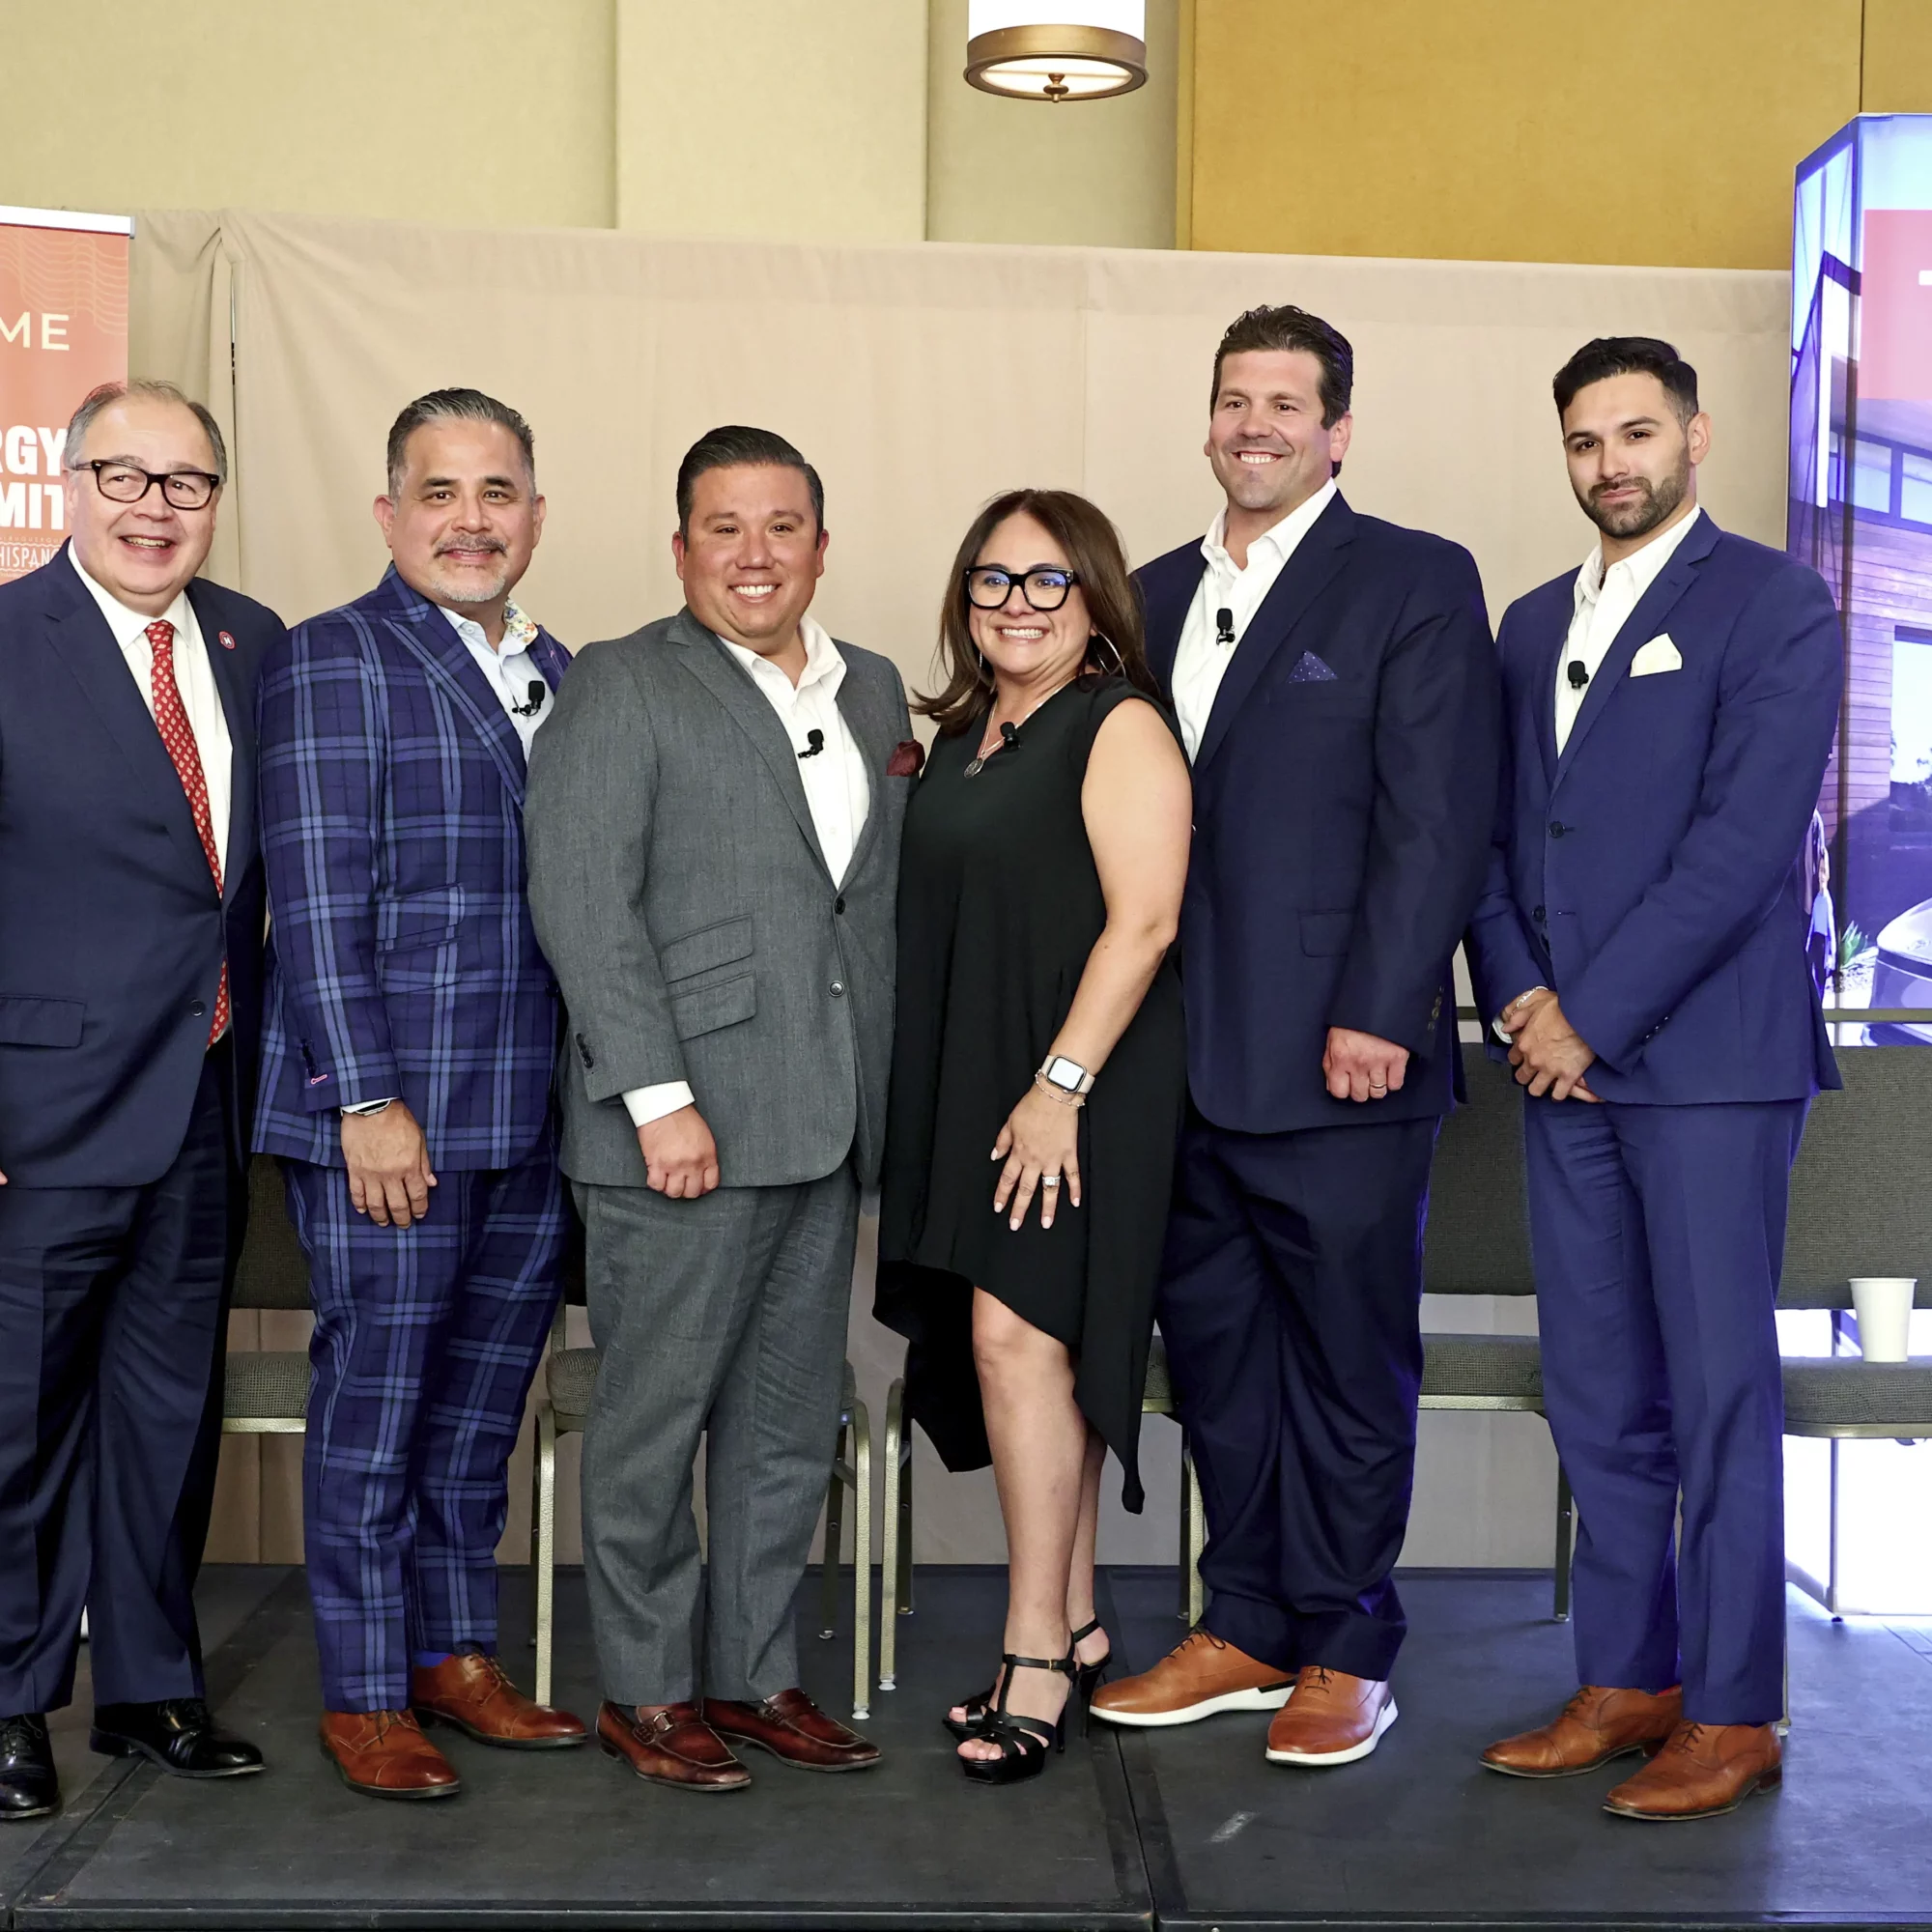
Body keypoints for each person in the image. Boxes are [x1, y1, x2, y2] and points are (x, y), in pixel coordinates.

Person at [1093, 304, 1500, 1767]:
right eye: (1233, 400)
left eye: (1284, 403)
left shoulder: (1412, 579)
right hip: (1177, 1062)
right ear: (1207, 421)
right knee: (1219, 1361)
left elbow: (1439, 816)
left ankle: (1347, 1642)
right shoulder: (1142, 593)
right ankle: (1249, 1622)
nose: (1253, 424)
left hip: (1343, 1058)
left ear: (1338, 431)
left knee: (1344, 1364)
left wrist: (1383, 1009)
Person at [1466, 337, 1842, 1822]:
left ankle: (1736, 1710)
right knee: (1597, 1386)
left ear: (1696, 436)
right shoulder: (1526, 624)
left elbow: (1745, 848)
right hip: (1560, 1067)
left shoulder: (1773, 603)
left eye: (1635, 432)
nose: (1609, 462)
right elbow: (1492, 839)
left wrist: (1591, 1015)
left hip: (1708, 1066)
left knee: (1716, 1389)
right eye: (1584, 440)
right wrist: (1520, 998)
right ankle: (1630, 1677)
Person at [525, 425, 908, 1794]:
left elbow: (859, 906)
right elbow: (582, 899)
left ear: (822, 544)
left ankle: (753, 1678)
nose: (755, 555)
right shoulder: (623, 681)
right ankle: (646, 1692)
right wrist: (657, 1097)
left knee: (787, 1426)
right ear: (680, 548)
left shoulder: (874, 690)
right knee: (654, 1424)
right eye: (724, 529)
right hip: (678, 1129)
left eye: (782, 526)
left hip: (826, 1120)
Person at [255, 389, 584, 1801]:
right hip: (391, 1116)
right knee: (379, 1410)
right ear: (390, 514)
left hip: (533, 1111)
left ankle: (455, 1655)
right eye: (439, 493)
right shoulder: (335, 656)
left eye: (497, 492)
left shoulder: (564, 667)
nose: (471, 520)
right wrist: (362, 1099)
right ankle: (367, 1688)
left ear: (536, 516)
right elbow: (315, 903)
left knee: (478, 1413)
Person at [876, 491, 1191, 1785]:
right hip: (978, 1081)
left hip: (1078, 1085)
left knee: (1021, 1340)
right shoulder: (963, 740)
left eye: (1047, 579)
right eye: (992, 579)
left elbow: (1147, 921)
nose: (1016, 602)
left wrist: (1059, 1086)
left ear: (1095, 596)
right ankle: (1077, 1620)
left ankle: (1036, 1655)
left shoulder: (1118, 724)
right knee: (1025, 1350)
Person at [0, 381, 282, 1820]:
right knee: (19, 1423)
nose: (155, 508)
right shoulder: (7, 640)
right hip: (38, 1119)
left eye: (187, 482)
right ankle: (8, 1703)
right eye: (125, 476)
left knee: (167, 1415)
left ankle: (150, 1688)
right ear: (70, 486)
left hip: (204, 1100)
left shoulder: (252, 643)